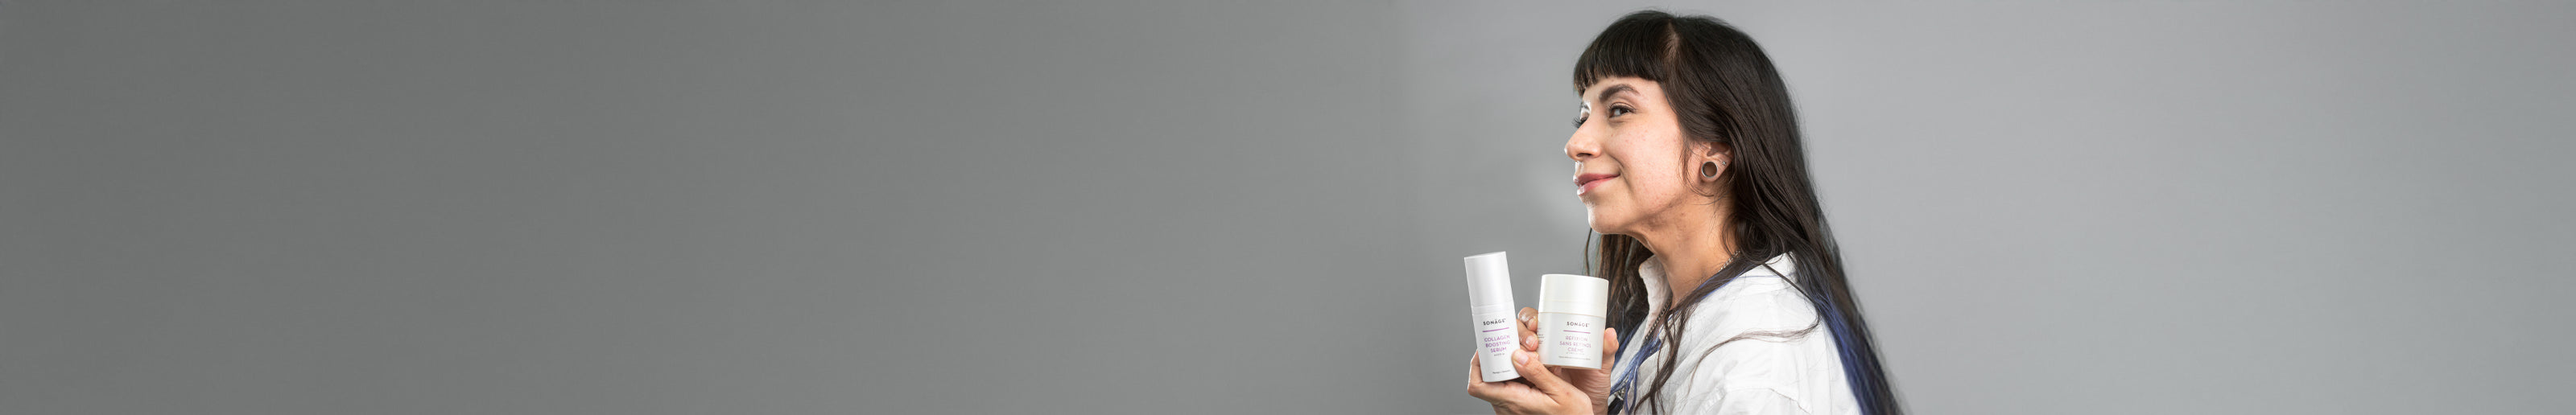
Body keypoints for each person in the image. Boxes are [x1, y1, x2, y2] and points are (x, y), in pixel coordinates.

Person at [1466, 10, 1902, 415]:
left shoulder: (1753, 369)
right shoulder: (1670, 311)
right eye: (1582, 116)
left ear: (1712, 153)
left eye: (1619, 110)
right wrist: (1592, 406)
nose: (1576, 143)